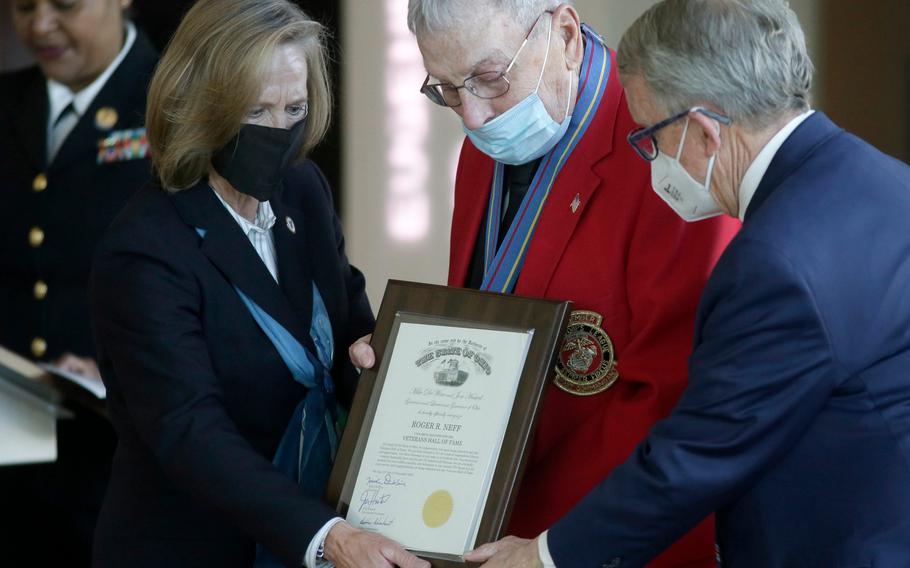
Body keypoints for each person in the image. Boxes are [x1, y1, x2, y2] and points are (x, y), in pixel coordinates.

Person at [469, 0, 910, 566]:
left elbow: (698, 455)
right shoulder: (883, 179)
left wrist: (542, 557)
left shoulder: (774, 262)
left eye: (648, 136)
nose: (649, 159)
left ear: (704, 132)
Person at [349, 1, 739, 566]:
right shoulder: (491, 141)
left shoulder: (665, 145)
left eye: (488, 78)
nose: (473, 117)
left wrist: (548, 548)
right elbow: (484, 321)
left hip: (604, 540)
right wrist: (407, 366)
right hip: (490, 531)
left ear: (562, 33)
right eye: (448, 90)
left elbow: (675, 402)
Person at [88, 1, 428, 567]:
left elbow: (346, 324)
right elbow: (191, 432)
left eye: (294, 108)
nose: (279, 132)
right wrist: (330, 536)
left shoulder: (303, 190)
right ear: (201, 106)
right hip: (197, 547)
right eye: (255, 111)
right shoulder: (145, 250)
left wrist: (372, 360)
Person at [0, 0, 157, 564]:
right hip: (12, 462)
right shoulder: (8, 102)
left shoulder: (177, 101)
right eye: (22, 7)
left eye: (64, 4)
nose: (40, 26)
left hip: (123, 462)